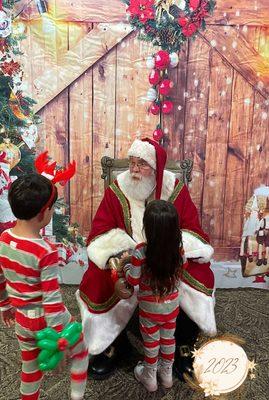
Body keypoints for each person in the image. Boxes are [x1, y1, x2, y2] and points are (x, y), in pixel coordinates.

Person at [78, 137, 216, 380]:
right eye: (131, 163)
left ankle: (184, 343)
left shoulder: (174, 190)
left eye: (141, 164)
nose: (133, 170)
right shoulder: (117, 189)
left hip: (168, 256)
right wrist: (119, 255)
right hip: (129, 256)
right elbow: (101, 231)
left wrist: (169, 250)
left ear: (155, 169)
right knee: (102, 277)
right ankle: (114, 343)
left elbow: (193, 230)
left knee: (194, 273)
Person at [0, 173, 89, 400]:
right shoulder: (44, 252)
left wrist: (4, 305)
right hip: (46, 321)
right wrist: (60, 340)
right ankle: (77, 396)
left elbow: (0, 278)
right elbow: (52, 301)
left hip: (22, 320)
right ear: (43, 213)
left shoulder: (3, 239)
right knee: (81, 352)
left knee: (31, 372)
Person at [121, 200, 186, 392]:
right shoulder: (179, 252)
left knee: (151, 342)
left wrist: (125, 267)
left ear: (148, 228)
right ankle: (166, 375)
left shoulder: (141, 251)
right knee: (168, 339)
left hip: (149, 310)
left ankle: (149, 376)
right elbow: (181, 273)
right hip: (172, 307)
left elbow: (132, 281)